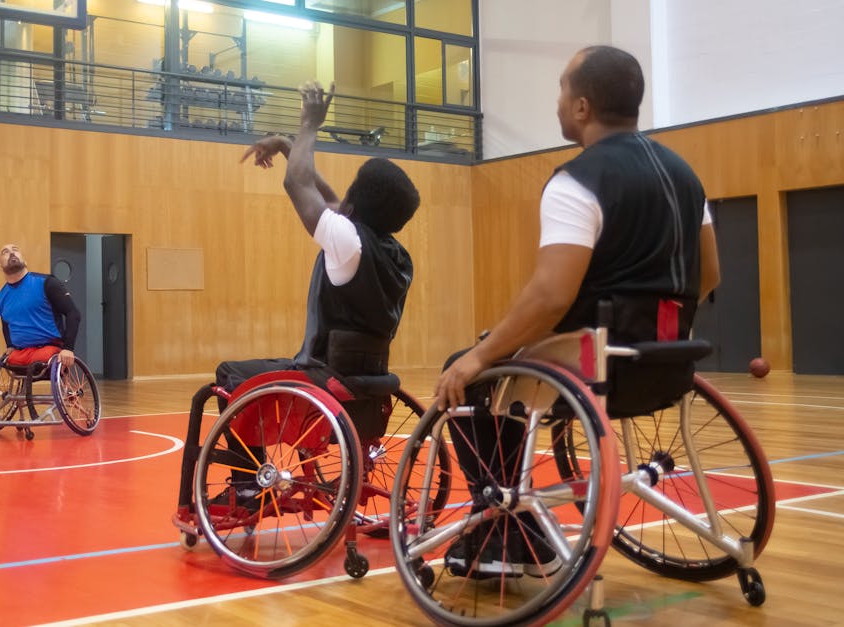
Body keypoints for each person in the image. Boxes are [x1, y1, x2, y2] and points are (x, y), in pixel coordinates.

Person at [433, 45, 721, 576]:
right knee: (499, 351)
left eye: (563, 92)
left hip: (594, 368)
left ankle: (504, 534)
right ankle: (514, 532)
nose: (559, 103)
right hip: (668, 365)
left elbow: (550, 297)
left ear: (583, 107)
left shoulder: (576, 180)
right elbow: (709, 278)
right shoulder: (687, 177)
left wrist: (478, 355)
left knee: (472, 370)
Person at [212, 81, 421, 504]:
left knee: (228, 374)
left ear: (358, 200)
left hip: (325, 376)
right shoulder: (393, 253)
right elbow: (331, 201)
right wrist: (290, 146)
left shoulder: (348, 242)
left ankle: (248, 484)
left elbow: (298, 186)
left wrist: (310, 123)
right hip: (369, 377)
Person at [0, 243, 82, 370]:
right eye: (5, 252)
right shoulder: (1, 298)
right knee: (4, 361)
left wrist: (68, 348)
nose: (11, 253)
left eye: (15, 250)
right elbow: (6, 323)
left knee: (45, 356)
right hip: (21, 352)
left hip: (48, 348)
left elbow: (73, 313)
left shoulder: (47, 283)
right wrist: (10, 345)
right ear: (0, 266)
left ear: (25, 261)